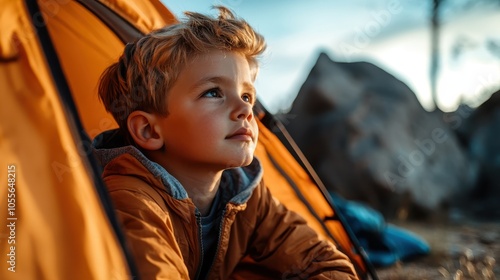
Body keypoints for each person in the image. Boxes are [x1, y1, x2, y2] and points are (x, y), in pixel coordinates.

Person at [92, 6, 358, 280]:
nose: (245, 110)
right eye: (213, 93)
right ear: (148, 130)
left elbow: (326, 263)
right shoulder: (129, 202)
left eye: (246, 95)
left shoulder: (246, 196)